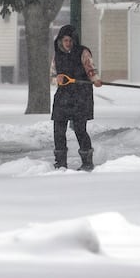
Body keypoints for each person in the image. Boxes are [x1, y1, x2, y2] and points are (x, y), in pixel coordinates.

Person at [50, 25, 102, 171]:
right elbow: (52, 75)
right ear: (60, 41)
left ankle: (87, 162)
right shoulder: (57, 55)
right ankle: (60, 162)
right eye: (65, 40)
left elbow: (90, 68)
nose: (68, 43)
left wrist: (95, 79)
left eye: (70, 40)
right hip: (63, 96)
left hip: (81, 95)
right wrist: (57, 80)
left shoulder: (83, 52)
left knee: (80, 128)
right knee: (58, 129)